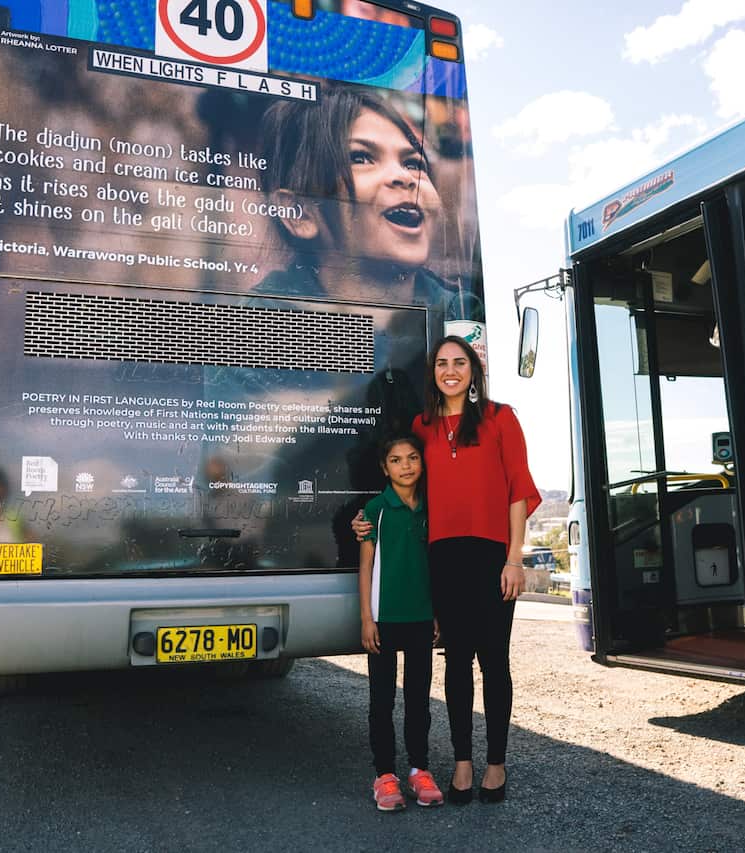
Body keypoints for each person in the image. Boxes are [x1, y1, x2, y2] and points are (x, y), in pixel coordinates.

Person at [354, 336, 541, 804]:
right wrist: (366, 519)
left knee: (494, 661)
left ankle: (494, 765)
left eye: (460, 362)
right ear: (433, 372)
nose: (451, 370)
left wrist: (515, 557)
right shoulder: (424, 425)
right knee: (456, 662)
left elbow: (518, 490)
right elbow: (407, 483)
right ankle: (462, 763)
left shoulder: (501, 418)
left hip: (492, 555)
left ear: (473, 371)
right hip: (444, 557)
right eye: (442, 363)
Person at [254, 87, 481, 322]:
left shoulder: (463, 317)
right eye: (361, 158)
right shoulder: (254, 325)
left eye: (413, 163)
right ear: (298, 214)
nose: (404, 176)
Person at [359, 433, 444, 811]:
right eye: (396, 460)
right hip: (383, 619)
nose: (406, 466)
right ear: (384, 467)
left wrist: (438, 612)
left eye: (412, 458)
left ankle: (419, 771)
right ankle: (384, 776)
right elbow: (365, 569)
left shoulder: (432, 507)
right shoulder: (375, 509)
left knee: (418, 700)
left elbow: (438, 565)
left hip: (421, 617)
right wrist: (366, 618)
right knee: (381, 700)